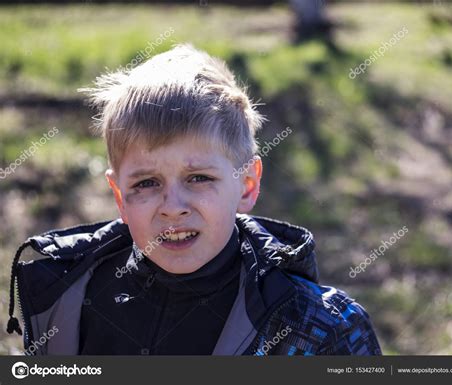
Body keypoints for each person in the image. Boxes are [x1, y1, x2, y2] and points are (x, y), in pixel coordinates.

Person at [7, 44, 381, 355]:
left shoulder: (319, 328)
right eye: (147, 183)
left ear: (247, 185)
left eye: (198, 178)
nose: (172, 205)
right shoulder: (67, 299)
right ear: (119, 196)